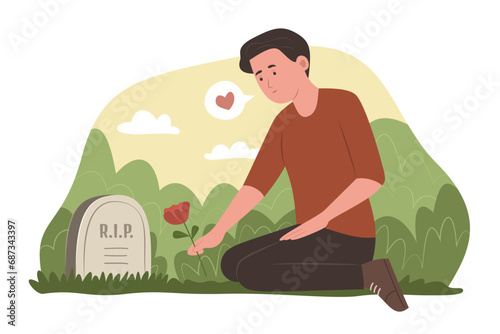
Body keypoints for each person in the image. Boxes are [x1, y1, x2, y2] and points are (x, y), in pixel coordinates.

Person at [188, 28, 408, 311]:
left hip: (349, 236)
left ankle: (368, 274)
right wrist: (218, 231)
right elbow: (256, 185)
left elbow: (371, 178)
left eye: (273, 70)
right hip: (307, 231)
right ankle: (353, 270)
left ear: (301, 63)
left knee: (251, 271)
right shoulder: (284, 121)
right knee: (231, 263)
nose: (267, 82)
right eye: (259, 77)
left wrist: (322, 219)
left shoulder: (343, 103)